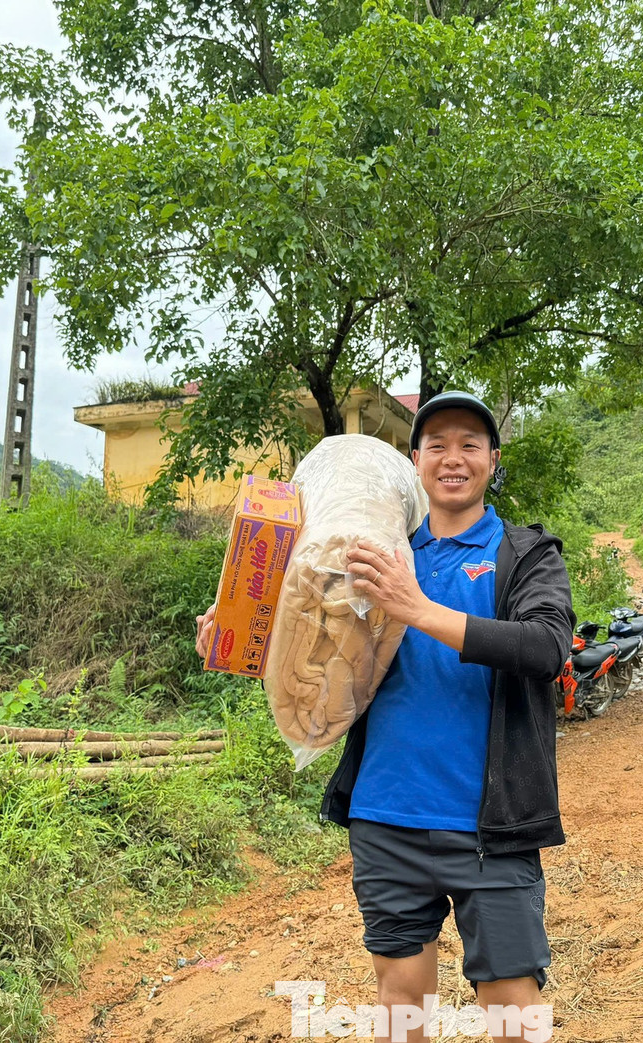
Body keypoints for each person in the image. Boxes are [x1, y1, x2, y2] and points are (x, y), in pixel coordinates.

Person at [196, 391, 575, 1042]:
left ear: (493, 460)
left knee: (515, 1011)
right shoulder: (372, 548)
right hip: (387, 818)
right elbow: (311, 650)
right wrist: (237, 637)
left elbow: (546, 647)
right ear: (415, 460)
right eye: (438, 444)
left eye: (470, 444)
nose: (453, 458)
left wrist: (416, 605)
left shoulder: (524, 554)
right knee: (402, 1009)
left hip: (494, 826)